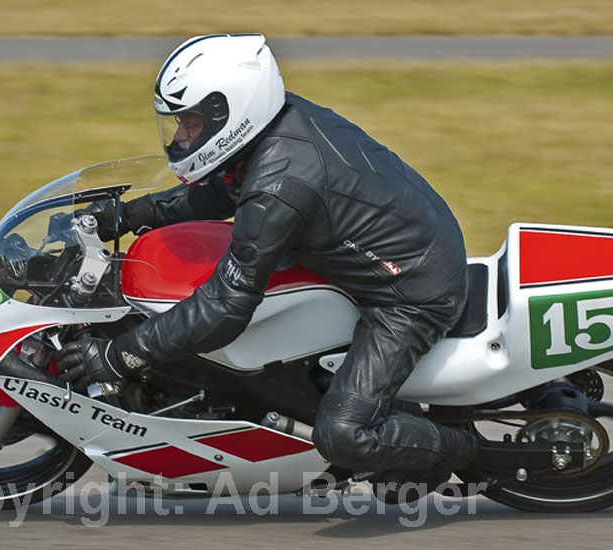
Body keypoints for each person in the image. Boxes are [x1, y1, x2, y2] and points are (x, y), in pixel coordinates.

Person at [56, 33, 477, 502]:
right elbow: (220, 190)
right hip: (392, 247)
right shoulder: (272, 130)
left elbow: (223, 310)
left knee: (341, 434)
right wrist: (133, 215)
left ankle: (464, 452)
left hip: (410, 293)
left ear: (230, 113)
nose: (179, 138)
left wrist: (121, 356)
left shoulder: (279, 187)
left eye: (190, 125)